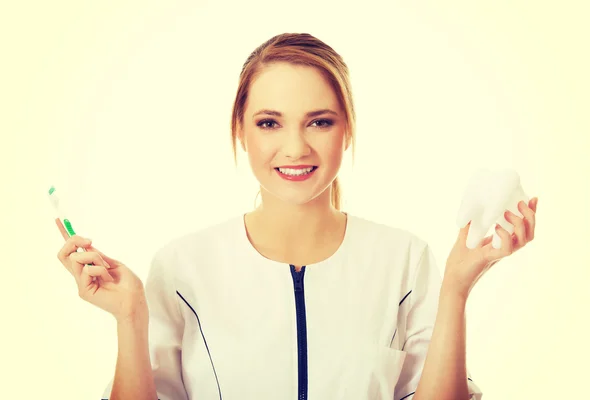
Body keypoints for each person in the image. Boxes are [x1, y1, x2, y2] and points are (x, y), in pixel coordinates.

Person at [54, 33, 538, 400]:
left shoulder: (405, 260)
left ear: (346, 130)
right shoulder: (182, 267)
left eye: (319, 122)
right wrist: (130, 316)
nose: (295, 147)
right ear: (240, 131)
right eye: (269, 123)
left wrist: (455, 289)